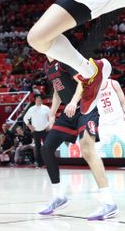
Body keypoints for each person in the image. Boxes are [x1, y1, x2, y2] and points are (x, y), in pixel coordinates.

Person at [38, 59, 117, 220]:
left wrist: (74, 102)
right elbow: (57, 90)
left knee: (87, 149)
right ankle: (59, 196)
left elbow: (82, 83)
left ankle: (109, 203)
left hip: (85, 107)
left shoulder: (64, 60)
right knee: (46, 148)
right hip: (69, 112)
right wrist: (52, 114)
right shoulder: (47, 65)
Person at [24, 94, 51, 168]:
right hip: (36, 131)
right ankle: (39, 164)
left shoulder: (46, 108)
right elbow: (25, 118)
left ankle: (48, 163)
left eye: (40, 99)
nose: (39, 100)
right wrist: (29, 125)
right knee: (37, 148)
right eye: (37, 99)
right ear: (35, 100)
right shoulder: (31, 109)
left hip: (45, 130)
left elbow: (52, 116)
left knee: (46, 147)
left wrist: (49, 125)